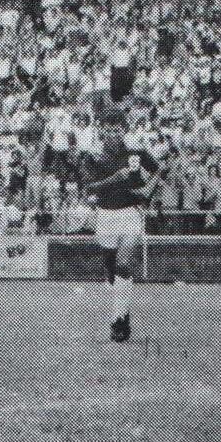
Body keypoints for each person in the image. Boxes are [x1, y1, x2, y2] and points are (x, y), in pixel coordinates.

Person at [82, 107, 160, 342]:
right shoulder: (94, 156)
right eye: (108, 130)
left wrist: (148, 190)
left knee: (123, 265)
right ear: (101, 132)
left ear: (123, 131)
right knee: (110, 273)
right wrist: (114, 179)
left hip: (130, 213)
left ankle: (118, 320)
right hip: (105, 215)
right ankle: (122, 313)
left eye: (117, 130)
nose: (113, 135)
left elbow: (158, 169)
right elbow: (89, 187)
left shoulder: (136, 152)